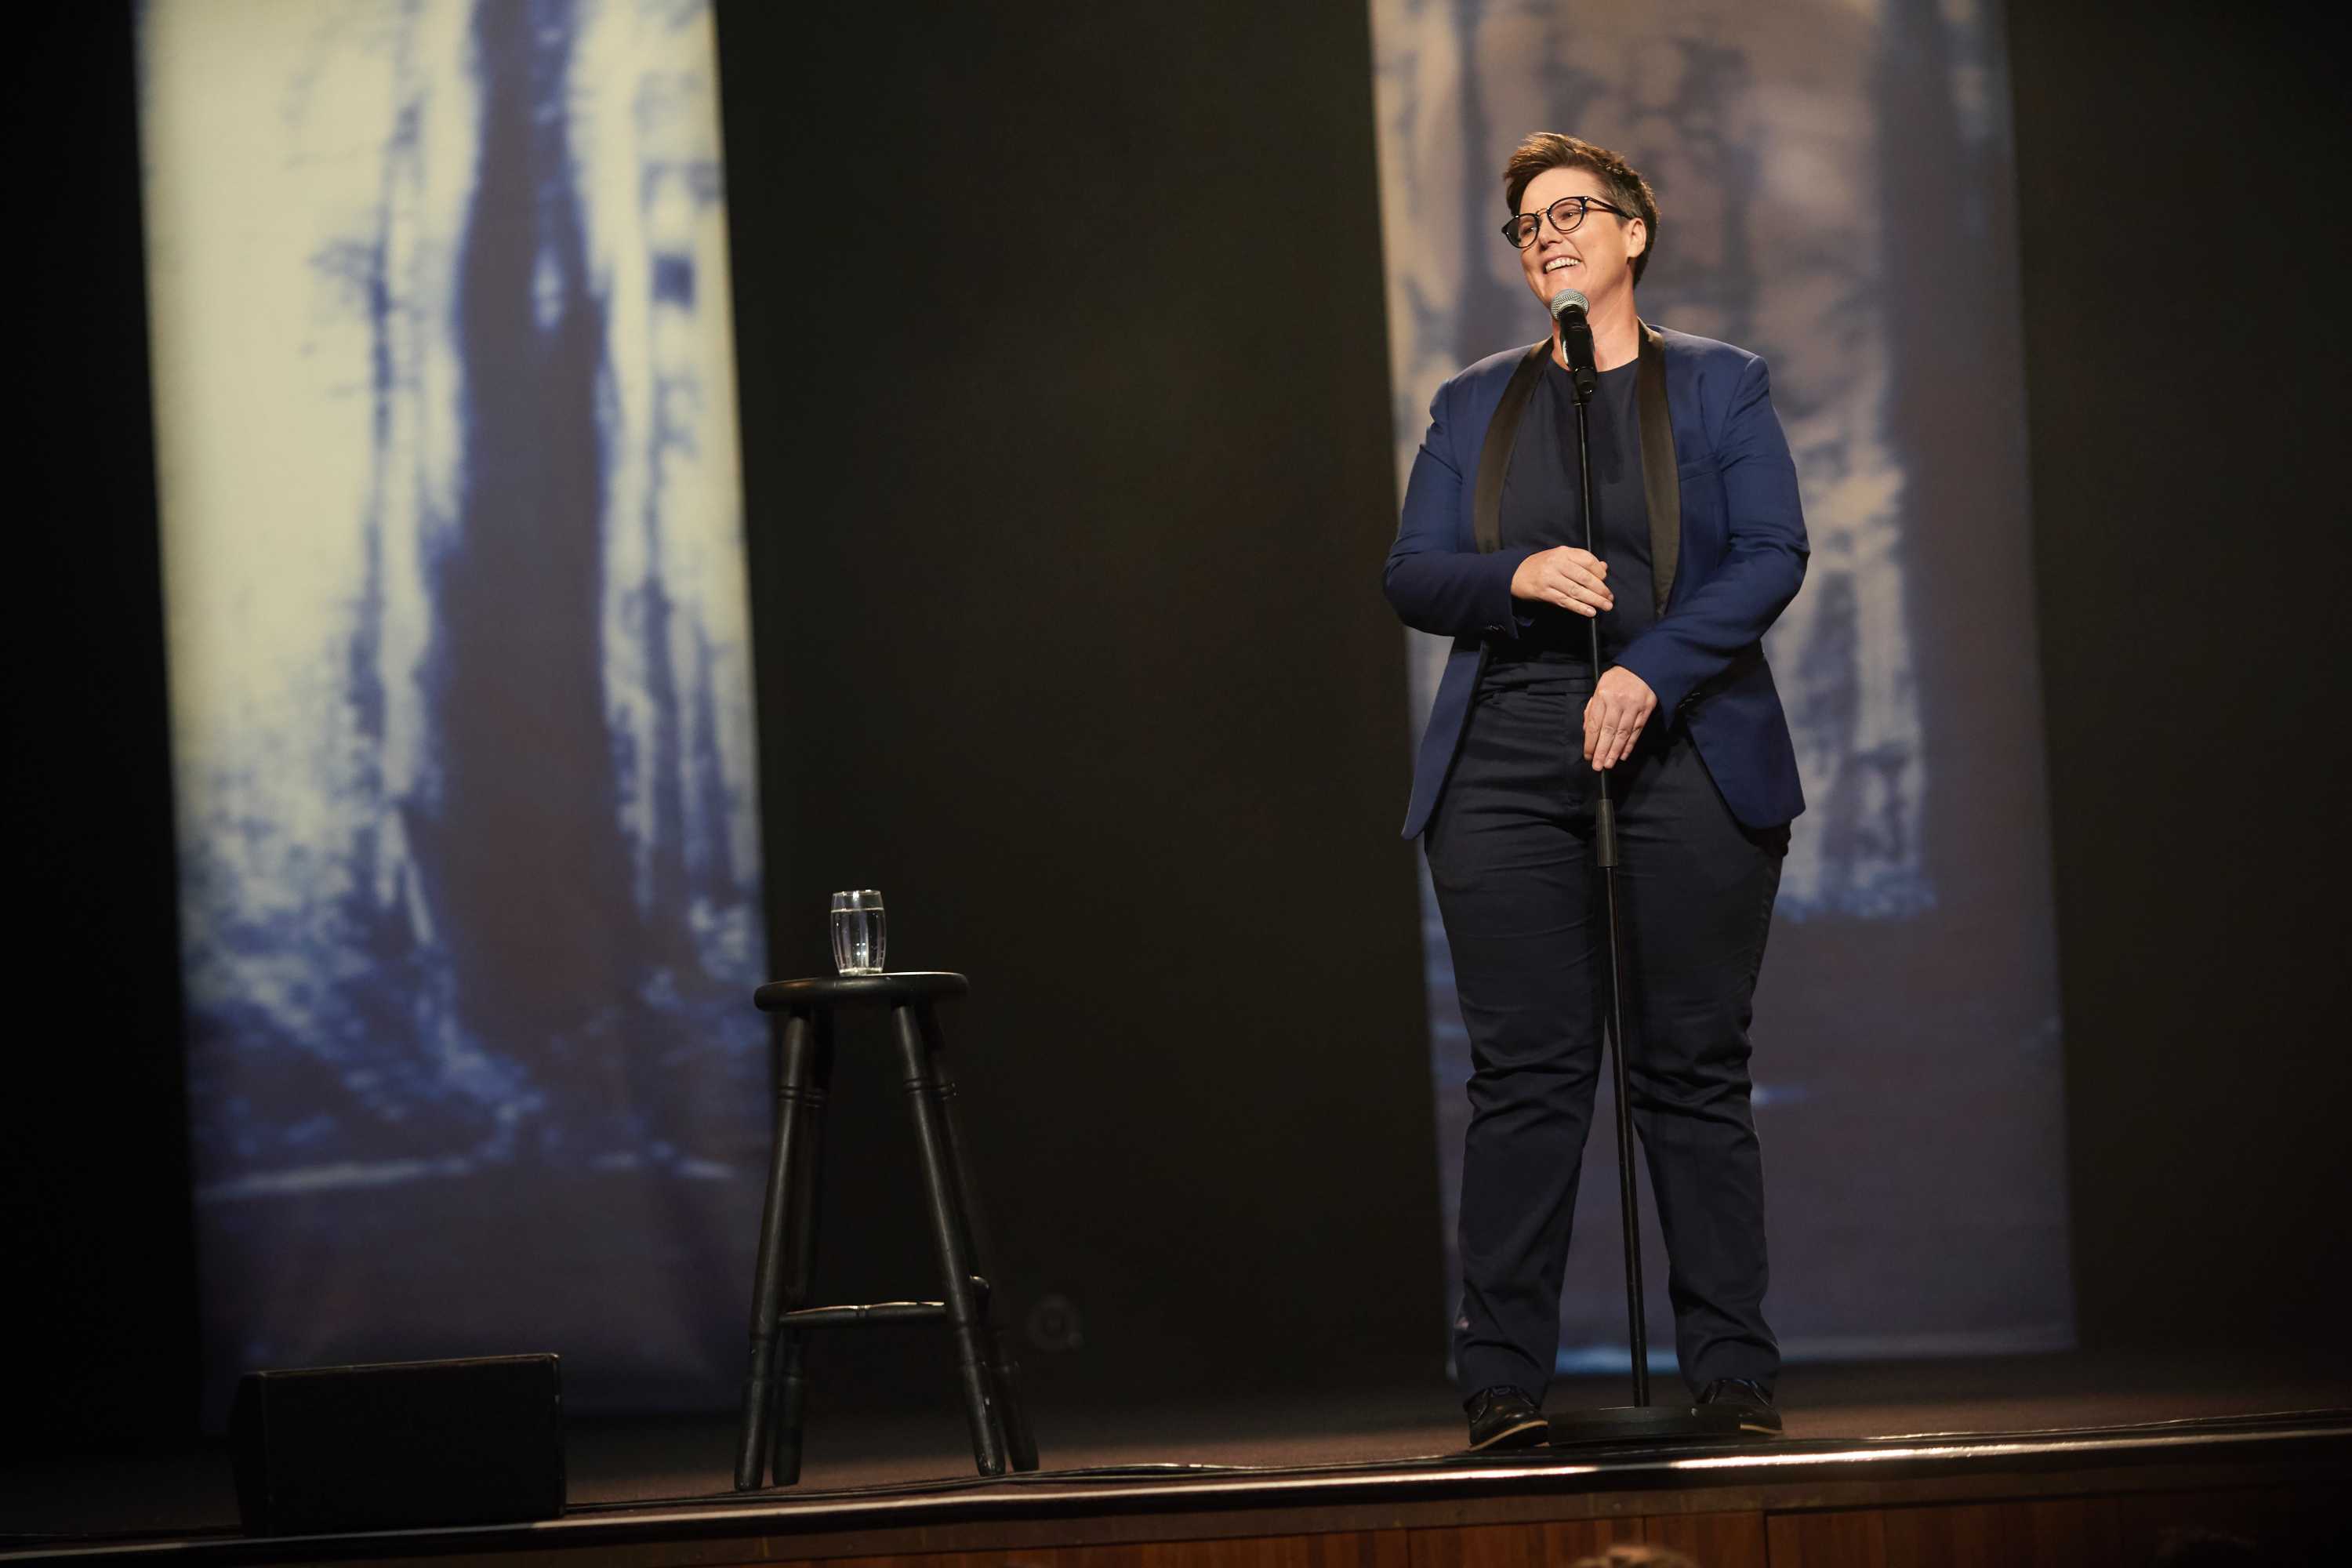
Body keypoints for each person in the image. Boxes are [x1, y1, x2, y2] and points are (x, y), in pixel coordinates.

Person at [1385, 132, 1808, 1451]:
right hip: (1512, 749)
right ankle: (1502, 1379)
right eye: (1525, 226)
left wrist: (1655, 671)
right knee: (1529, 1075)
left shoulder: (1721, 387)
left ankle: (1731, 1374)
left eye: (1573, 213)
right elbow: (1413, 573)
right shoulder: (1476, 403)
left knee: (1690, 1068)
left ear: (1634, 232)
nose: (1548, 236)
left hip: (1680, 736)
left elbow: (1771, 552)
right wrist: (1509, 577)